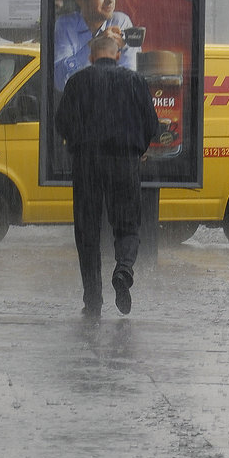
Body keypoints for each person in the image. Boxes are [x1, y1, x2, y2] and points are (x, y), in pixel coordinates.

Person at [55, 35, 158, 317]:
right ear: (117, 53)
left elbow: (62, 122)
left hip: (87, 163)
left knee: (87, 231)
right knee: (127, 225)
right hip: (124, 161)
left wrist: (79, 141)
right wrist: (137, 147)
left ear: (91, 55)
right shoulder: (134, 81)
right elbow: (151, 123)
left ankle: (92, 301)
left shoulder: (77, 82)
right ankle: (123, 269)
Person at [54, 0, 137, 91]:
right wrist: (95, 44)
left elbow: (130, 80)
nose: (110, 1)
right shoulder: (66, 24)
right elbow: (61, 82)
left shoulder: (121, 22)